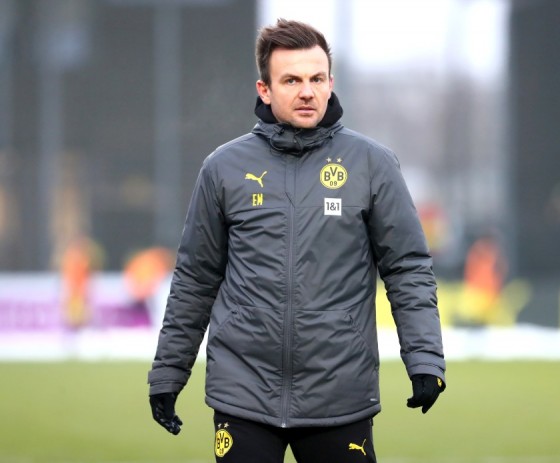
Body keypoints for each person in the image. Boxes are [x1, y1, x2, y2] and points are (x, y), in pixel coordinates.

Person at [148, 19, 446, 463]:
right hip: (244, 394)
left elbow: (407, 268)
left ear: (330, 84)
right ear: (264, 89)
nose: (307, 92)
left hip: (340, 393)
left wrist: (424, 358)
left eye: (316, 79)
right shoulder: (222, 168)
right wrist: (169, 372)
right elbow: (196, 278)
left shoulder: (373, 165)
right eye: (291, 80)